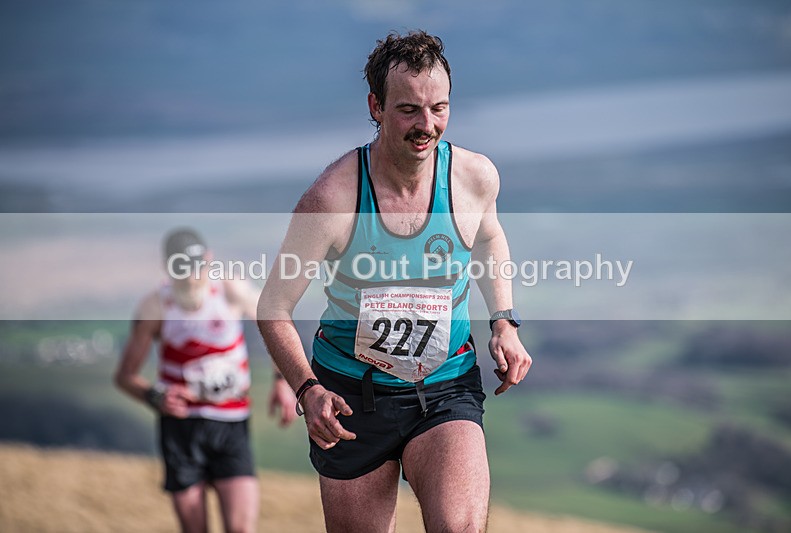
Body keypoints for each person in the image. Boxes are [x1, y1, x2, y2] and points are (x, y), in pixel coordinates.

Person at [257, 31, 532, 533]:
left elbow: (489, 238)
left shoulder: (475, 177)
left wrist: (503, 321)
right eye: (408, 110)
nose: (427, 126)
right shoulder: (332, 199)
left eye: (440, 108)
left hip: (446, 385)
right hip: (350, 398)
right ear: (375, 106)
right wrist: (307, 389)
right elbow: (273, 307)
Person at [115, 228, 297, 533]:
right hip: (182, 429)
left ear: (209, 260)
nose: (190, 276)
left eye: (197, 266)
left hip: (231, 424)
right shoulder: (155, 307)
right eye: (181, 268)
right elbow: (125, 377)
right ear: (168, 267)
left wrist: (282, 382)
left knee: (241, 529)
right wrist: (154, 396)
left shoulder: (230, 291)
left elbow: (273, 326)